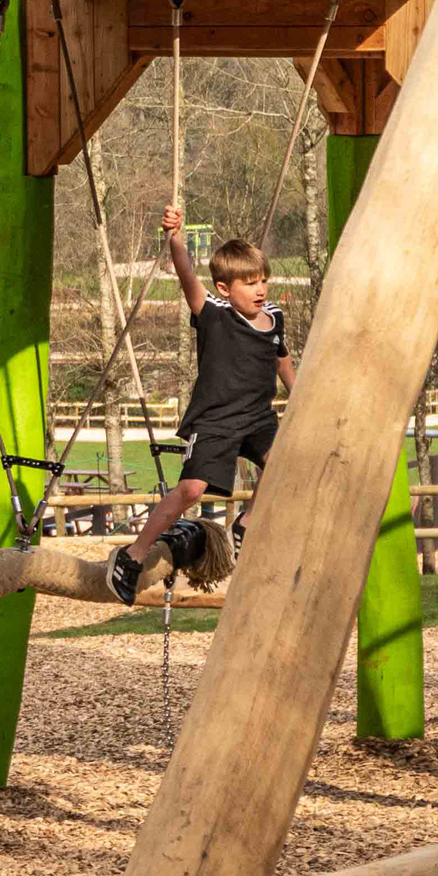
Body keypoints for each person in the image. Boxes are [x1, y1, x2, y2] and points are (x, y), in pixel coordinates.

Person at [105, 204, 294, 603]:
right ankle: (133, 555)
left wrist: (299, 394)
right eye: (249, 283)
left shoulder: (274, 316)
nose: (260, 290)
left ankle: (245, 523)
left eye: (262, 281)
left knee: (283, 464)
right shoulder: (213, 313)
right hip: (216, 420)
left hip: (259, 418)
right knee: (192, 489)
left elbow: (280, 357)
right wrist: (175, 237)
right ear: (225, 288)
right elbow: (186, 274)